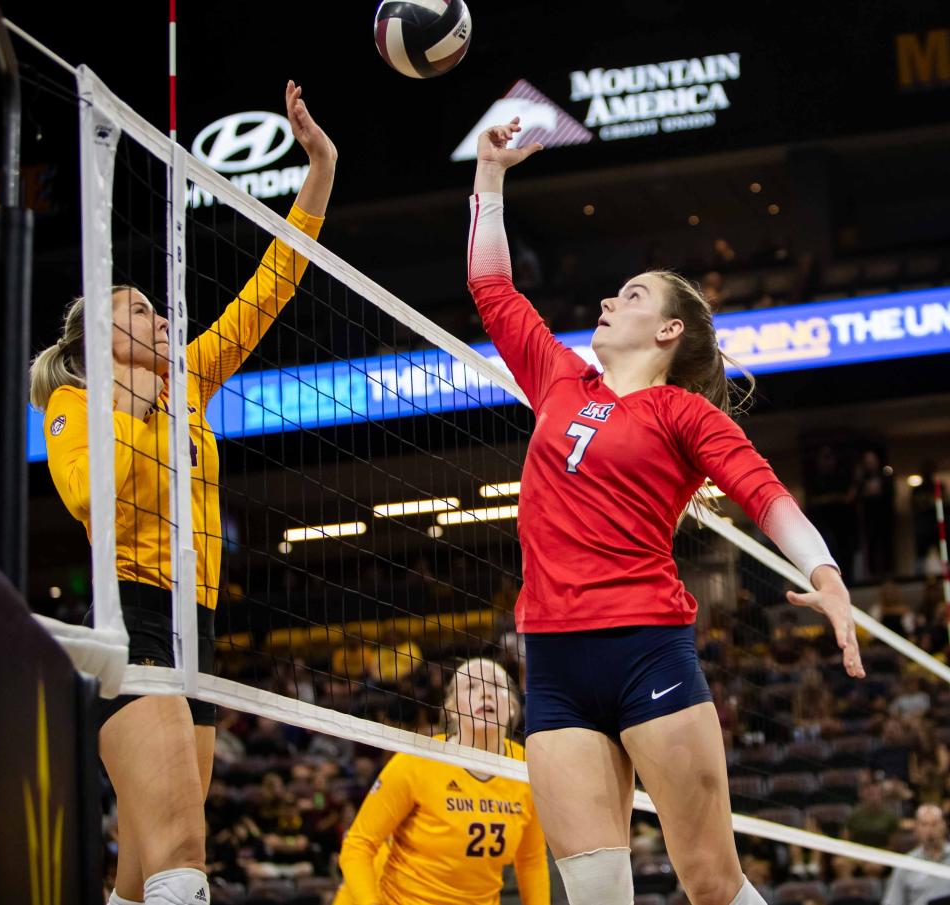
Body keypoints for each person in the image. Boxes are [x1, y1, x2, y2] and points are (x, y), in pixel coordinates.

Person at [465, 117, 865, 905]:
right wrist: (489, 177)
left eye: (635, 295)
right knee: (595, 893)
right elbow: (492, 289)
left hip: (646, 648)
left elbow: (765, 494)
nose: (611, 299)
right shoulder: (558, 379)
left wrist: (825, 573)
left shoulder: (685, 413)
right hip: (551, 662)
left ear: (670, 329)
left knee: (711, 884)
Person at [29, 82, 337, 905]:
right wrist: (136, 402)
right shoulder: (77, 402)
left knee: (142, 867)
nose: (164, 316)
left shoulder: (188, 382)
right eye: (140, 309)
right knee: (181, 855)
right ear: (97, 342)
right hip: (129, 618)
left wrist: (320, 169)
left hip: (197, 627)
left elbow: (274, 284)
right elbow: (97, 497)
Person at [335, 658, 549, 905]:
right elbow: (358, 845)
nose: (485, 692)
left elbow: (531, 860)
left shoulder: (524, 768)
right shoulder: (417, 761)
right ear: (452, 708)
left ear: (512, 707)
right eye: (471, 686)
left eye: (495, 685)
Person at [882, 805, 950, 905]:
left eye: (935, 824)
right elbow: (893, 901)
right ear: (917, 829)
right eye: (924, 824)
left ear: (944, 826)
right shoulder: (906, 865)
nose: (930, 830)